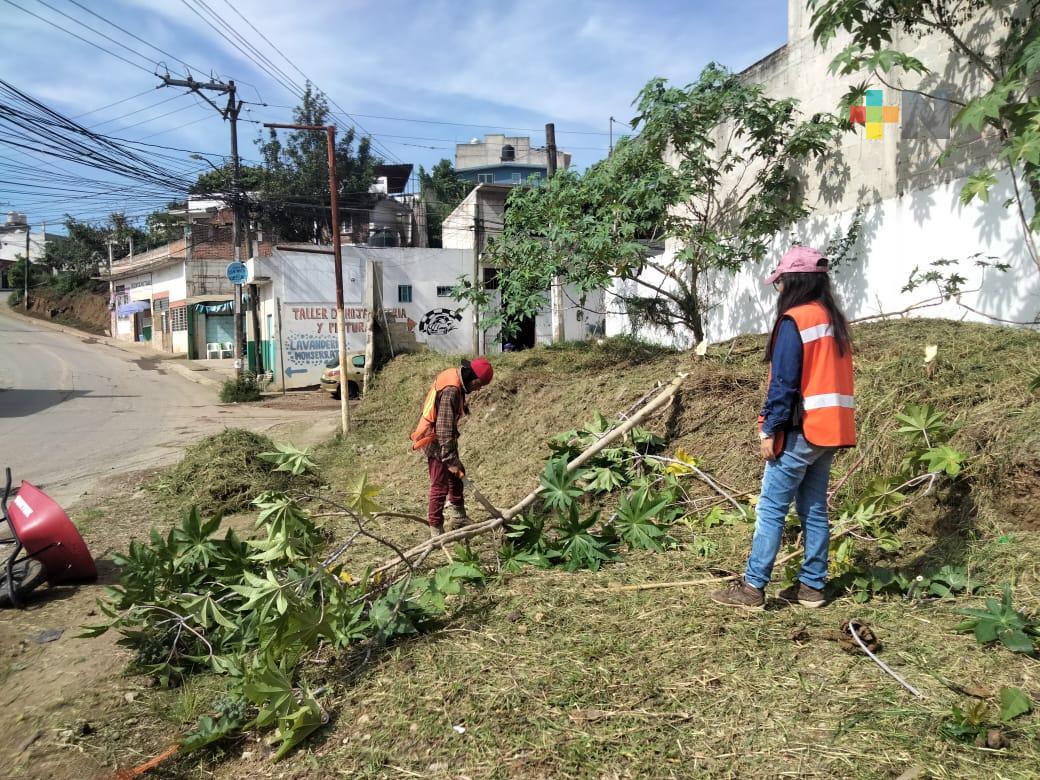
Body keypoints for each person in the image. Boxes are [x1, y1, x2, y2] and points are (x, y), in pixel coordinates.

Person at [711, 246, 856, 610]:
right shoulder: (832, 320)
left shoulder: (796, 320)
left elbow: (784, 384)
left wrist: (768, 428)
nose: (777, 289)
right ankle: (811, 587)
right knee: (814, 509)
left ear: (793, 281)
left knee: (772, 509)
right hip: (829, 432)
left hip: (799, 431)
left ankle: (752, 587)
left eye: (779, 282)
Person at [410, 357, 494, 537]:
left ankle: (458, 517)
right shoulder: (451, 391)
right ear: (475, 379)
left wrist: (454, 463)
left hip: (443, 440)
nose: (478, 389)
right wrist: (449, 459)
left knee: (456, 476)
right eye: (479, 385)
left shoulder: (456, 377)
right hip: (435, 441)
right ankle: (436, 530)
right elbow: (444, 427)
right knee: (439, 485)